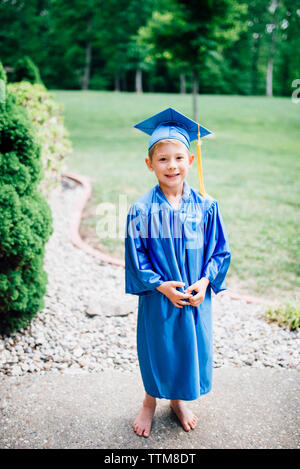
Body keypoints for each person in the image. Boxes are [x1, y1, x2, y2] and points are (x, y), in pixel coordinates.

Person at [125, 107, 231, 438]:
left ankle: (178, 400)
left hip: (195, 296)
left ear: (190, 161)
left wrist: (204, 282)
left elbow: (220, 251)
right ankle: (149, 402)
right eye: (163, 159)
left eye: (179, 158)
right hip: (160, 297)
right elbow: (136, 257)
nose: (172, 165)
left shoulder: (207, 206)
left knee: (188, 347)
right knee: (158, 348)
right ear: (149, 165)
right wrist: (161, 287)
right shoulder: (142, 210)